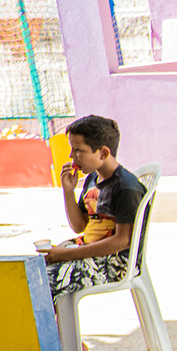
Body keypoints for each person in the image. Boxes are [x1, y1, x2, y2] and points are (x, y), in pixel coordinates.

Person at [44, 116, 147, 305]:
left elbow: (123, 240)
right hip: (88, 250)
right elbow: (79, 226)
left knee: (43, 282)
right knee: (34, 269)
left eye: (79, 150)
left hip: (114, 263)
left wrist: (66, 255)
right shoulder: (93, 179)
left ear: (103, 153)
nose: (72, 156)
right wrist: (68, 191)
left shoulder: (126, 187)